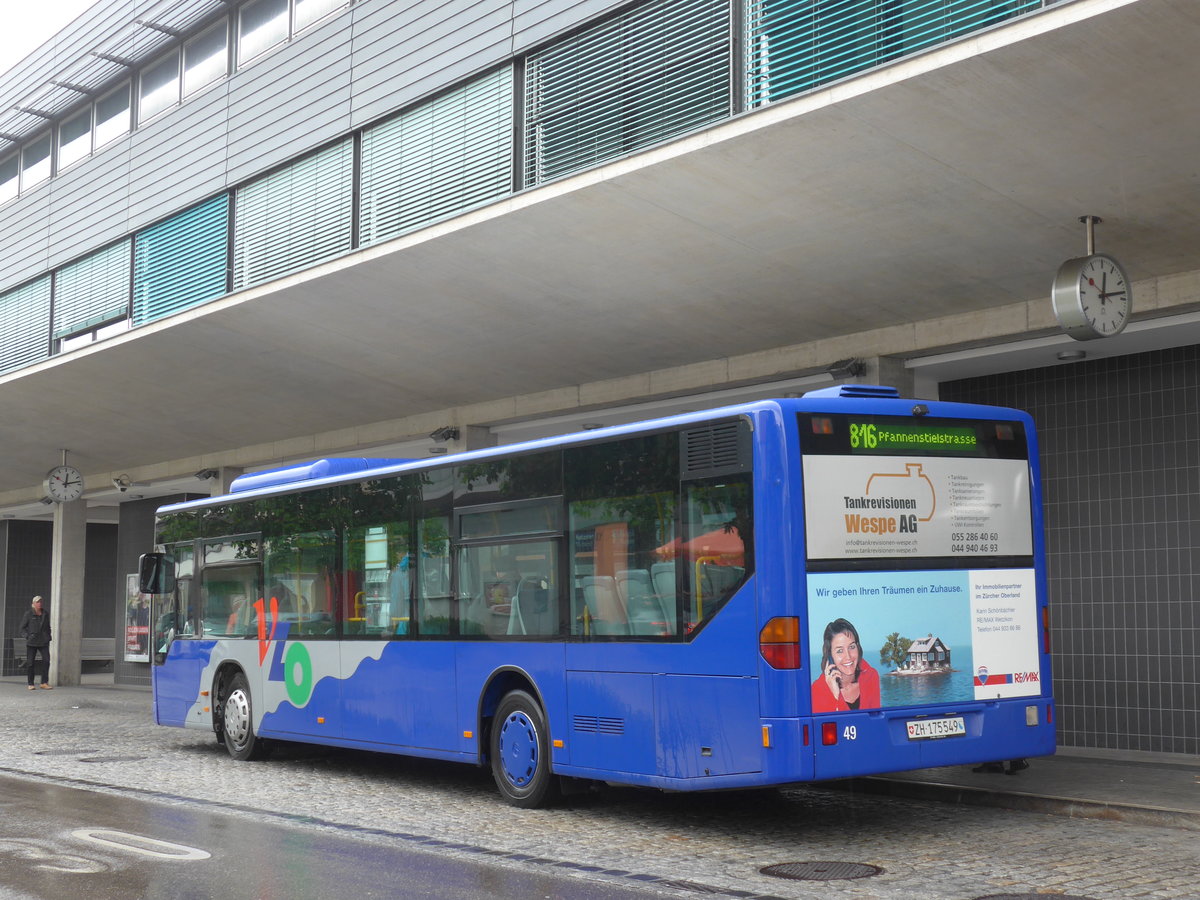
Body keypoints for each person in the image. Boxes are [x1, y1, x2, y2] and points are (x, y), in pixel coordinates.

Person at [811, 617, 879, 712]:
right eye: (840, 651)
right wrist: (835, 696)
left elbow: (876, 718)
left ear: (858, 647)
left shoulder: (871, 676)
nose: (848, 656)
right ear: (830, 656)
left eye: (852, 647)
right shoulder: (816, 690)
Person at [18, 595, 52, 690]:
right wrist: (28, 636)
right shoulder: (28, 614)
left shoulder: (45, 613)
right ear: (33, 604)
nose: (39, 603)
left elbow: (47, 626)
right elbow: (22, 628)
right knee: (30, 663)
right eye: (37, 602)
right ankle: (31, 683)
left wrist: (48, 636)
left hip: (43, 641)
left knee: (46, 661)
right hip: (32, 642)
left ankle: (44, 682)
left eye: (40, 602)